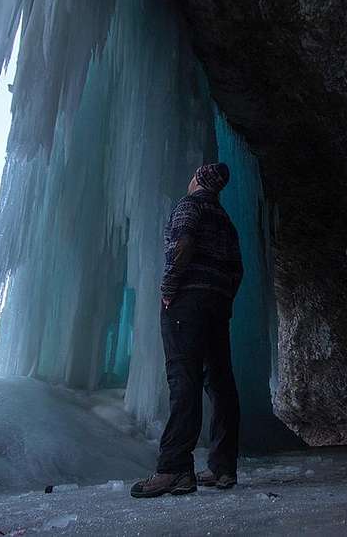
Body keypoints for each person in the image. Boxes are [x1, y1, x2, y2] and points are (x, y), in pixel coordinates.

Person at [131, 163, 244, 498]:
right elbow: (237, 269)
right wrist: (223, 298)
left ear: (198, 179)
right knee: (221, 383)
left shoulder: (189, 206)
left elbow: (182, 243)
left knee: (184, 380)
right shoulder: (226, 221)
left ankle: (174, 469)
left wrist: (169, 288)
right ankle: (223, 468)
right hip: (216, 306)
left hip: (187, 303)